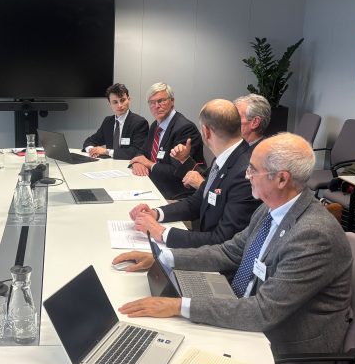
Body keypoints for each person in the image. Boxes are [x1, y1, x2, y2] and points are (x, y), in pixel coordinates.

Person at [116, 133, 352, 364]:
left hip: (288, 356)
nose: (246, 174)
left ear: (281, 178)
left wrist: (177, 306)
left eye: (253, 169)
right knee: (168, 345)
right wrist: (165, 258)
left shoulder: (313, 235)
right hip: (254, 318)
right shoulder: (272, 207)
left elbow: (263, 311)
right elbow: (230, 252)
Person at [124, 99, 259, 249]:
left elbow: (223, 239)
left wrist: (162, 233)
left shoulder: (244, 173)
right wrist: (156, 213)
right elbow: (197, 201)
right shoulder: (225, 158)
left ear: (206, 131)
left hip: (217, 256)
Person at [128, 82, 203, 199]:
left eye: (161, 101)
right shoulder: (155, 125)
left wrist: (148, 164)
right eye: (152, 102)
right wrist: (137, 162)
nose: (156, 106)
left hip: (175, 193)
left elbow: (177, 172)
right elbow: (142, 151)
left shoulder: (185, 128)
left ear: (172, 101)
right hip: (153, 184)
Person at [82, 83, 149, 160]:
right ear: (110, 104)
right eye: (115, 102)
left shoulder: (140, 123)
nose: (119, 105)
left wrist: (106, 152)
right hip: (110, 164)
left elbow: (136, 151)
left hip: (128, 164)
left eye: (122, 100)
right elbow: (90, 141)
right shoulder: (108, 121)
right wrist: (92, 150)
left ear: (129, 100)